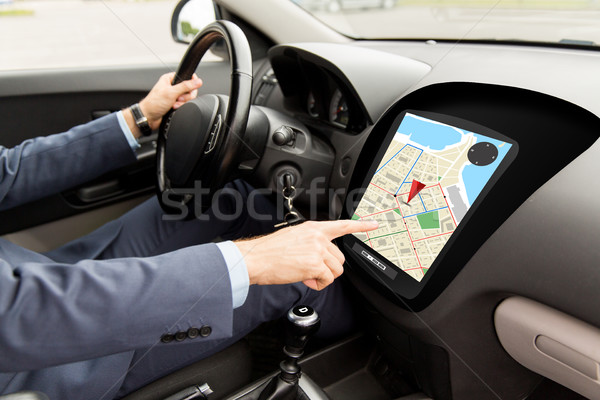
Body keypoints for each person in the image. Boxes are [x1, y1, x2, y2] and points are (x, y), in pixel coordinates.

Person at [0, 73, 377, 399]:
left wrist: (140, 117)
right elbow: (19, 313)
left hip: (35, 275)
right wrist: (253, 260)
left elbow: (6, 172)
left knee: (237, 200)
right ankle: (378, 351)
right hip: (41, 357)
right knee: (297, 278)